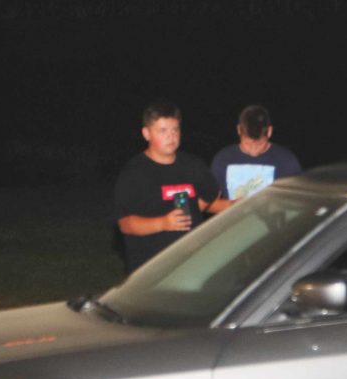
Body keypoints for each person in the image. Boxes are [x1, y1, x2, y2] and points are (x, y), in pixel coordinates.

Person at [114, 100, 221, 272]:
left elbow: (211, 193)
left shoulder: (193, 165)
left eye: (175, 129)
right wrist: (163, 223)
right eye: (162, 130)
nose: (171, 136)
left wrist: (194, 211)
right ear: (146, 134)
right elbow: (126, 223)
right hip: (150, 267)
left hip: (191, 263)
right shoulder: (134, 173)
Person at [210, 104, 302, 202]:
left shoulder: (286, 161)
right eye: (247, 144)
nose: (254, 151)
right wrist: (234, 206)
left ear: (269, 131)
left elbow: (298, 201)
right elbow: (209, 203)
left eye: (259, 144)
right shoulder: (223, 159)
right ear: (239, 130)